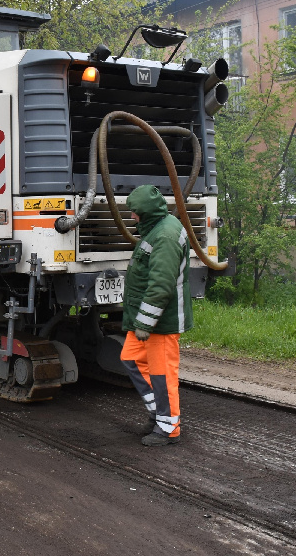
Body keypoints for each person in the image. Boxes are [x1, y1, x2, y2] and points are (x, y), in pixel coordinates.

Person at [120, 184, 192, 447]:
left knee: (162, 374)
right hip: (148, 320)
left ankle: (168, 427)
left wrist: (145, 323)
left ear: (146, 212)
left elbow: (161, 286)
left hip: (160, 323)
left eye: (134, 212)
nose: (131, 217)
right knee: (131, 359)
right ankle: (159, 414)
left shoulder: (165, 237)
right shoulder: (158, 229)